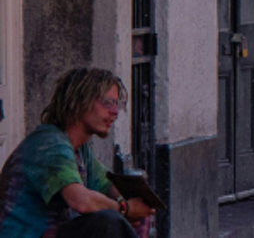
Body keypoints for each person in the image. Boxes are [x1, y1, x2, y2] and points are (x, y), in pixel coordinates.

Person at [0, 69, 152, 238]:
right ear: (80, 102)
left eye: (117, 104)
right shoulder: (48, 143)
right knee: (108, 221)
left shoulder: (79, 150)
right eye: (108, 102)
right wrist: (125, 208)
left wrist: (136, 206)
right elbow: (80, 201)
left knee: (130, 215)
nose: (115, 112)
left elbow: (108, 185)